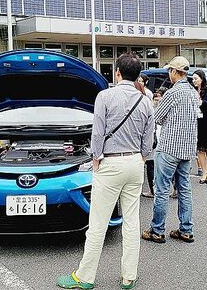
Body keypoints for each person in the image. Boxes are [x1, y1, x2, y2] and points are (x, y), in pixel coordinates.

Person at [57, 54, 154, 290]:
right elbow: (149, 139)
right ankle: (128, 277)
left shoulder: (105, 96)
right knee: (132, 222)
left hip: (110, 163)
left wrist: (96, 158)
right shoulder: (145, 101)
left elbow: (98, 132)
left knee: (98, 223)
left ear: (118, 72)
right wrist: (140, 157)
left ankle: (85, 277)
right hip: (134, 163)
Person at [142, 56, 199, 244]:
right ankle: (186, 229)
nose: (169, 73)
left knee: (162, 189)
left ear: (175, 72)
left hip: (169, 147)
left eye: (170, 70)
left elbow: (156, 117)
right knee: (184, 189)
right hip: (188, 147)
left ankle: (157, 230)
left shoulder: (172, 93)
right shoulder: (193, 92)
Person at [142, 88, 165, 198]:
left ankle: (154, 190)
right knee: (155, 165)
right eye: (156, 99)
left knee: (152, 166)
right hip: (156, 141)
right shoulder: (164, 110)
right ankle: (155, 189)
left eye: (159, 100)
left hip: (154, 141)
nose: (157, 102)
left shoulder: (148, 109)